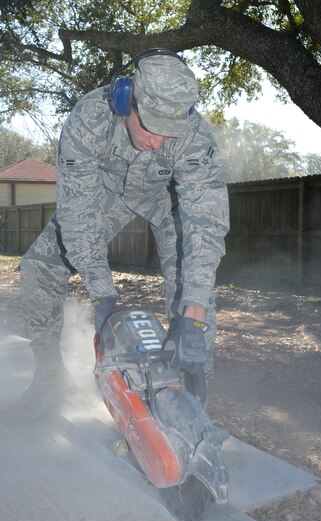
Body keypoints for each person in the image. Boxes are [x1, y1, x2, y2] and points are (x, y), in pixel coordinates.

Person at [2, 49, 229, 425]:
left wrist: (195, 309)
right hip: (104, 194)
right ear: (126, 99)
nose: (158, 141)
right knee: (38, 268)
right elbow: (77, 213)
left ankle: (190, 410)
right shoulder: (88, 118)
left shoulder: (193, 135)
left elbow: (205, 221)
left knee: (192, 297)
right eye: (151, 126)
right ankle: (48, 380)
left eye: (167, 131)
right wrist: (103, 295)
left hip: (165, 198)